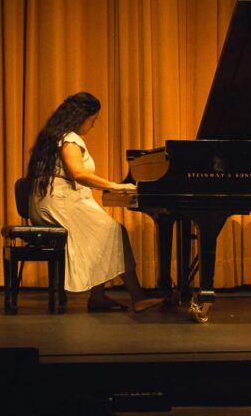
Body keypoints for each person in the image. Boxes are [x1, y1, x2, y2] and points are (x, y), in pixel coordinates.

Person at [26, 92, 162, 313]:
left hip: (48, 202)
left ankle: (98, 296)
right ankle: (137, 297)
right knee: (115, 232)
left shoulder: (53, 135)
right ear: (81, 117)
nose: (93, 125)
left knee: (105, 234)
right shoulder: (69, 138)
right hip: (61, 202)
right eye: (93, 120)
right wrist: (115, 186)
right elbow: (78, 174)